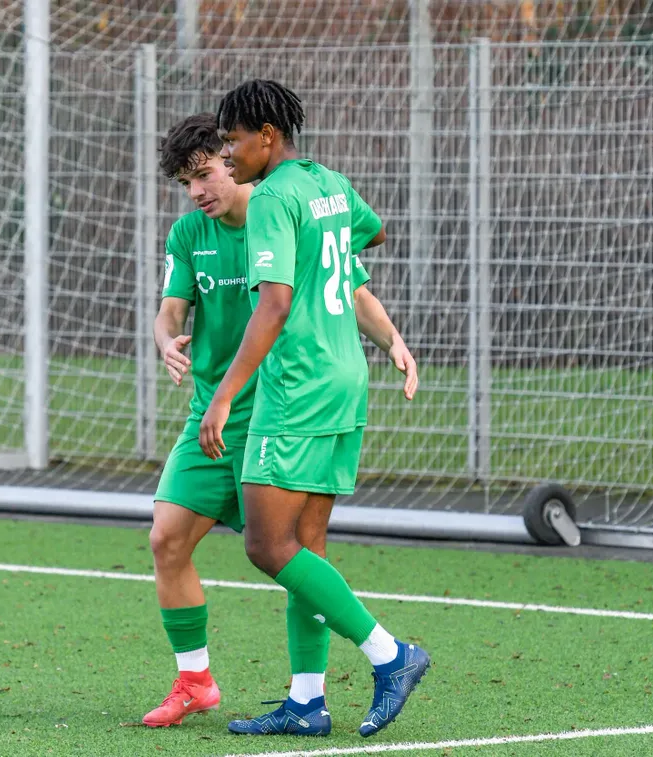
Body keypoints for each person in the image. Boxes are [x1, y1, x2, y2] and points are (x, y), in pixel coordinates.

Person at [143, 112, 417, 732]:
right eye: (186, 183)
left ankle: (313, 698)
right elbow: (169, 310)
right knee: (167, 539)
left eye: (207, 172)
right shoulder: (190, 234)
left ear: (236, 158)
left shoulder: (278, 207)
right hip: (214, 416)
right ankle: (196, 680)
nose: (198, 191)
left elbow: (346, 284)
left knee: (294, 551)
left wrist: (390, 338)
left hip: (281, 408)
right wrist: (165, 340)